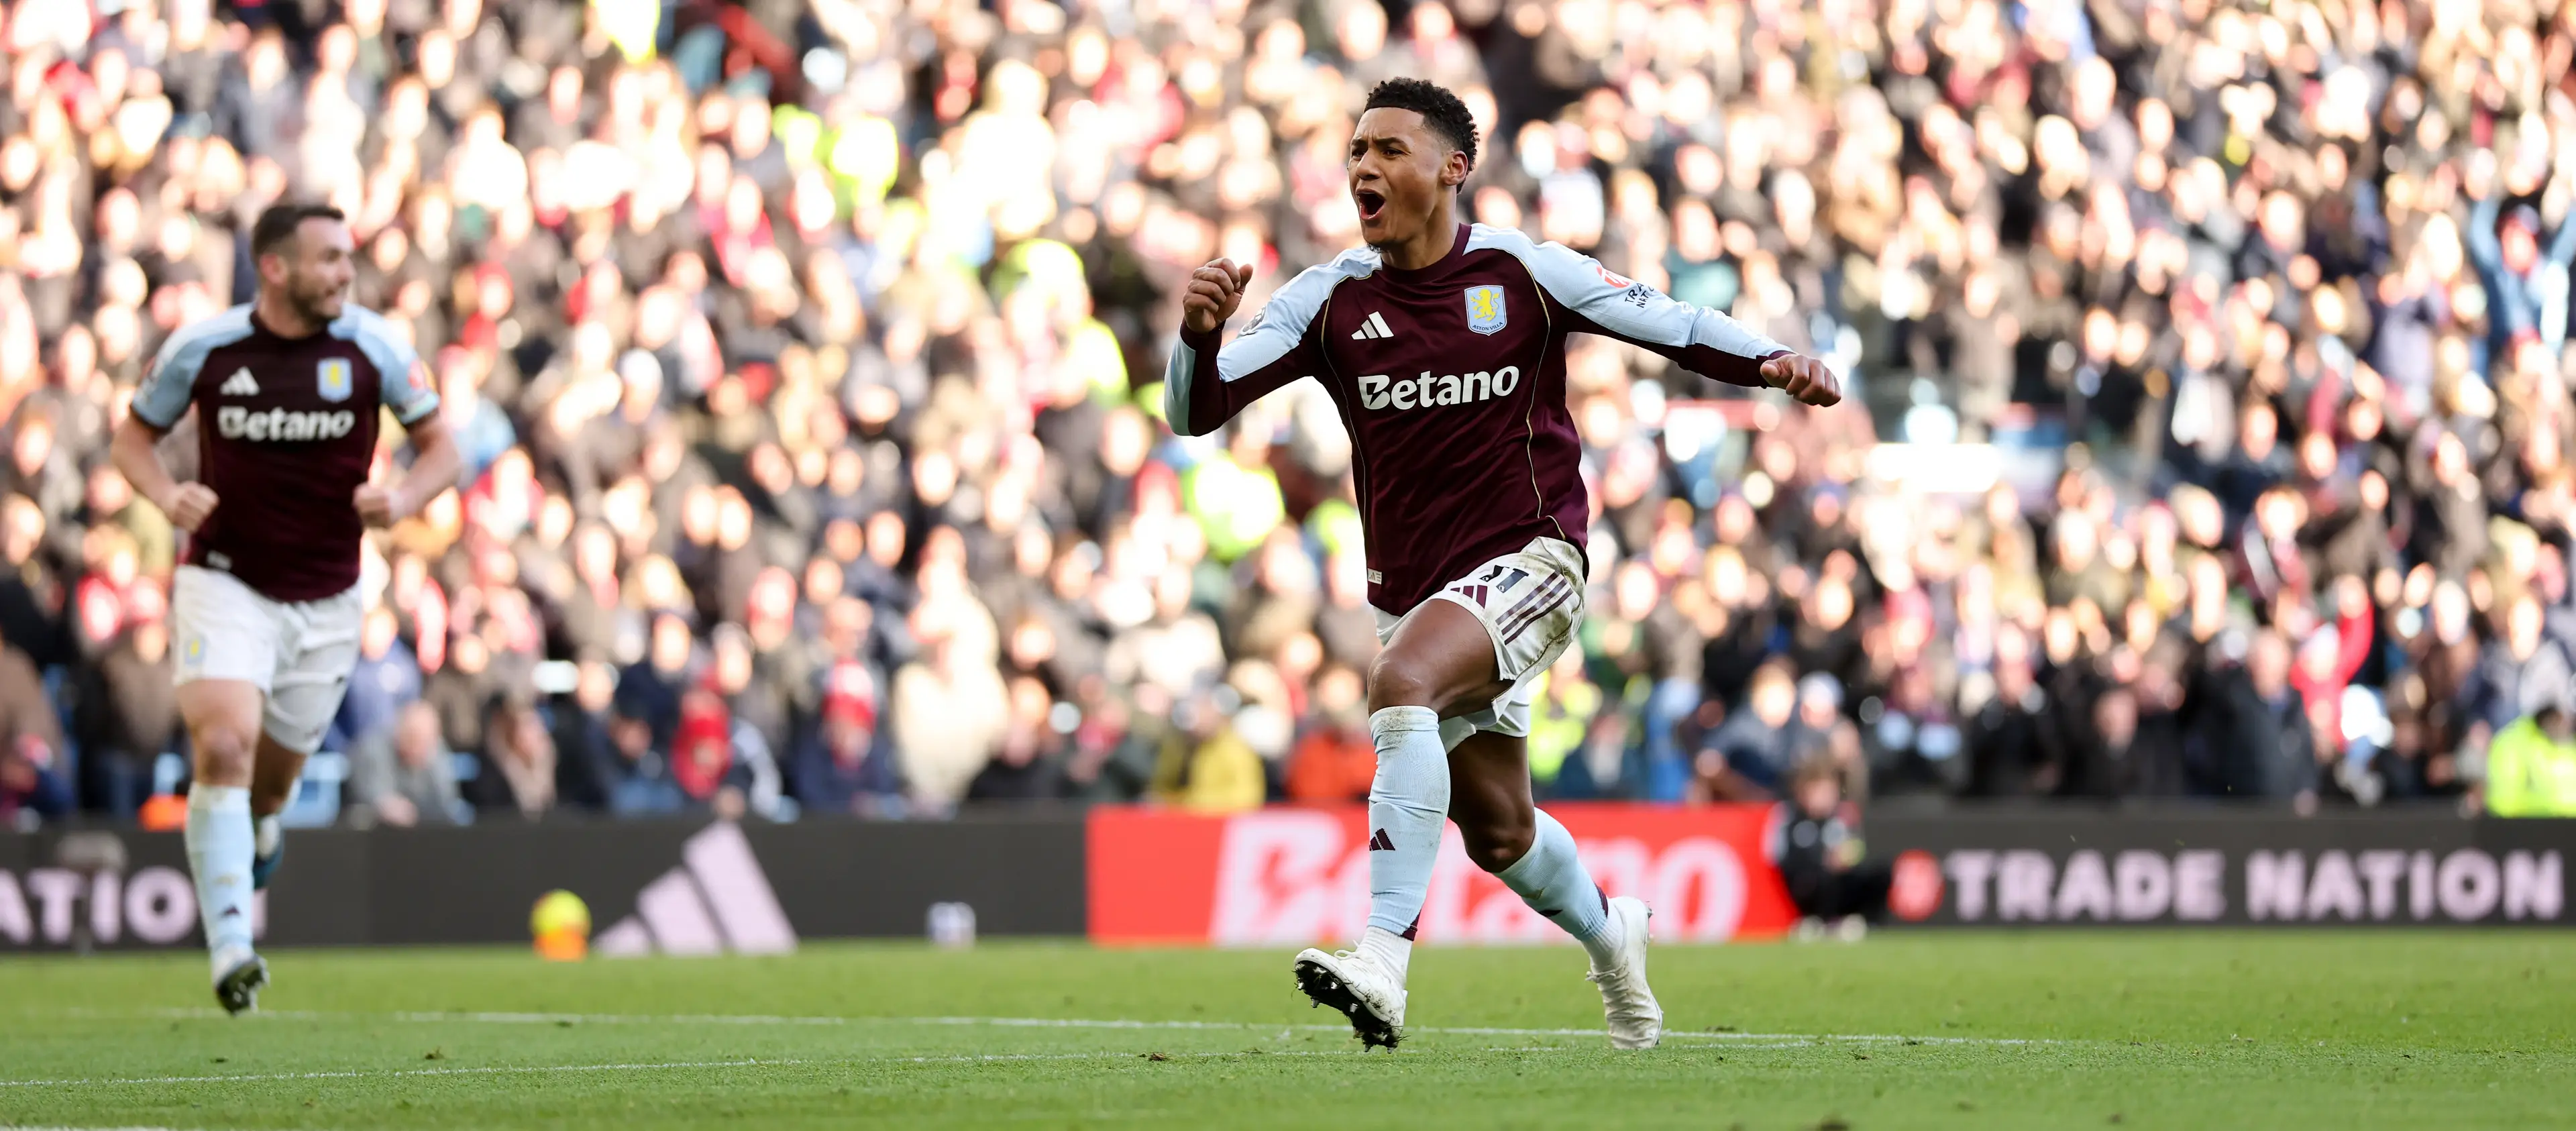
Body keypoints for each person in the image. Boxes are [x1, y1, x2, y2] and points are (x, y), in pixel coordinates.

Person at [1163, 78, 1838, 1050]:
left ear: (1451, 168)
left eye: (1389, 149)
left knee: (1398, 681)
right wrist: (1197, 336)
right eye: (1356, 150)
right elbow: (1194, 411)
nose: (1364, 166)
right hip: (1421, 595)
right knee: (1503, 836)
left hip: (1534, 560)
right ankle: (1617, 939)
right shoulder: (1328, 302)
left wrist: (1772, 359)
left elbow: (1664, 318)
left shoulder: (1523, 273)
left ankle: (1383, 962)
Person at [108, 202, 457, 1014]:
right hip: (224, 580)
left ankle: (258, 831)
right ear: (274, 267)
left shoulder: (373, 346)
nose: (345, 272)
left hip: (331, 599)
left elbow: (444, 445)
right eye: (328, 258)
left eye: (348, 257)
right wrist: (165, 494)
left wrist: (402, 496)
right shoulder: (207, 347)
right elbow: (132, 438)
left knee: (268, 788)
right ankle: (233, 943)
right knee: (222, 746)